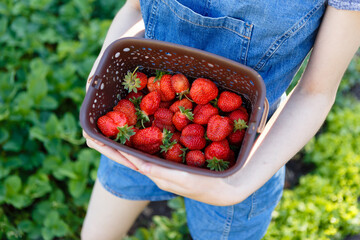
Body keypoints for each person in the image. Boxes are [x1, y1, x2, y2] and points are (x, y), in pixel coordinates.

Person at [81, 0, 360, 239]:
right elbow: (134, 10)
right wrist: (97, 85)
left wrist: (236, 187)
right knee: (96, 233)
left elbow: (316, 92)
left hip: (244, 159)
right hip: (138, 133)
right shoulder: (135, 125)